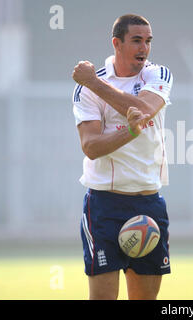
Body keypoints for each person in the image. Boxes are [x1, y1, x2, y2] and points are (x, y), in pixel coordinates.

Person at [71, 14, 173, 300]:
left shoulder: (158, 74)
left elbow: (144, 109)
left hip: (149, 203)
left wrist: (93, 82)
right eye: (136, 40)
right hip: (105, 204)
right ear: (117, 43)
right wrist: (130, 131)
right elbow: (90, 146)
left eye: (148, 41)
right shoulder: (87, 88)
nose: (144, 48)